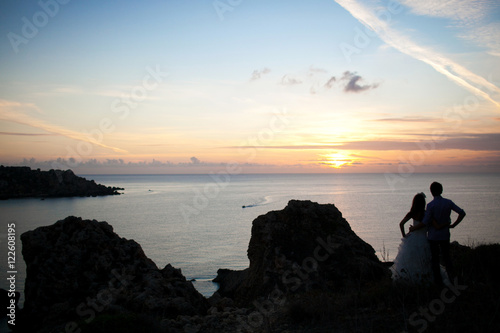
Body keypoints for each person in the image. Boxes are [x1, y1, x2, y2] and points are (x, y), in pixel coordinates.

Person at [410, 182, 466, 288]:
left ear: (431, 192)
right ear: (441, 190)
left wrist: (413, 228)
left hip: (433, 237)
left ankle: (438, 283)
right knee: (447, 258)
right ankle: (453, 281)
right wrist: (454, 225)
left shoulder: (431, 205)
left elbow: (425, 222)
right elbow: (462, 213)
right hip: (445, 235)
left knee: (435, 260)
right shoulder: (448, 203)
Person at [391, 192, 433, 284]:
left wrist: (404, 236)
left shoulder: (412, 213)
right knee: (423, 260)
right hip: (424, 239)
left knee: (410, 261)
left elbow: (401, 224)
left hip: (412, 239)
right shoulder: (426, 214)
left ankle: (410, 280)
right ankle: (423, 279)